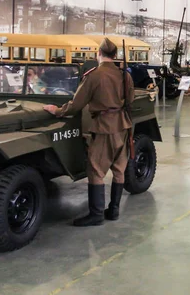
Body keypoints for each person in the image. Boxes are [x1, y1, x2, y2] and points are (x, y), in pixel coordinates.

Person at [43, 38, 135, 226]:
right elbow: (130, 99)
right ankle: (114, 210)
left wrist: (58, 111)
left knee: (95, 170)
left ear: (98, 54)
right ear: (115, 55)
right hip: (122, 126)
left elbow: (77, 104)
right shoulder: (125, 75)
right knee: (119, 169)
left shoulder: (94, 75)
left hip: (104, 127)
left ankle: (96, 214)